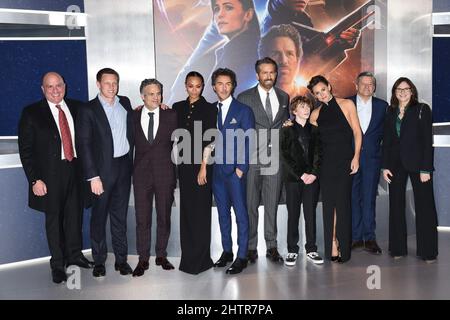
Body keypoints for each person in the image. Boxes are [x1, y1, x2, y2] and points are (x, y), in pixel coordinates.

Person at [18, 72, 93, 284]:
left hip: (76, 171)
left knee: (74, 216)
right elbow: (26, 150)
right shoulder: (31, 113)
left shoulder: (79, 108)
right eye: (49, 87)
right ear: (43, 89)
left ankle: (75, 255)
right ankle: (58, 264)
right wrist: (35, 180)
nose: (55, 90)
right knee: (53, 220)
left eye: (58, 85)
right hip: (49, 176)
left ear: (65, 86)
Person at [76, 68, 134, 277]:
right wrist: (93, 177)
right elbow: (83, 145)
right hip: (101, 173)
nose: (112, 87)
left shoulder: (124, 103)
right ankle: (99, 260)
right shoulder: (88, 109)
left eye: (115, 82)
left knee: (119, 217)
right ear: (98, 84)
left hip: (124, 168)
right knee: (99, 218)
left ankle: (121, 260)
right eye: (107, 83)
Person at [236, 57, 289, 264]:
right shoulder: (244, 97)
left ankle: (272, 246)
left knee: (271, 204)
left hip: (275, 160)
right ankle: (250, 247)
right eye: (264, 72)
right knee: (250, 205)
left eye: (272, 72)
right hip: (251, 160)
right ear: (257, 75)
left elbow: (284, 124)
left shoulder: (284, 96)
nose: (268, 76)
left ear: (276, 74)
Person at [382, 77, 438, 263]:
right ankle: (397, 248)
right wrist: (385, 166)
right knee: (396, 206)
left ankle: (428, 251)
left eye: (406, 89)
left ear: (412, 91)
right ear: (394, 92)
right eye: (399, 89)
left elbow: (426, 142)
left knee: (425, 207)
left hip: (419, 164)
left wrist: (426, 169)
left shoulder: (422, 109)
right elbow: (387, 142)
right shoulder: (390, 112)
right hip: (395, 165)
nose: (403, 92)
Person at [308, 75, 362, 263]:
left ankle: (343, 244)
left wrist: (356, 157)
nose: (321, 94)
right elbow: (312, 144)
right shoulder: (315, 115)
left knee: (343, 204)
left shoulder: (347, 104)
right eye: (316, 93)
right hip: (326, 165)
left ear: (329, 86)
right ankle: (331, 242)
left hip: (345, 162)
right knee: (329, 205)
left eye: (323, 89)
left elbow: (357, 131)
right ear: (314, 96)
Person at [169, 0, 260, 103]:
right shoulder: (229, 50)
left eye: (228, 7)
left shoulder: (247, 57)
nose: (220, 14)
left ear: (248, 14)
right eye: (216, 9)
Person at [131, 79, 178, 276]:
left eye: (158, 93)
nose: (156, 97)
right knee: (142, 219)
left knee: (164, 216)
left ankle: (161, 255)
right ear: (142, 96)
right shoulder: (132, 116)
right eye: (151, 94)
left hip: (165, 173)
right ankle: (143, 259)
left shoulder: (171, 115)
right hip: (141, 175)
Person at [211, 68, 255, 274]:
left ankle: (242, 256)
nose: (224, 87)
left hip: (235, 173)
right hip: (216, 173)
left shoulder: (243, 110)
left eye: (228, 83)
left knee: (241, 215)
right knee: (222, 215)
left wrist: (241, 169)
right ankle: (227, 251)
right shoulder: (211, 110)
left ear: (233, 86)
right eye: (220, 83)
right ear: (214, 86)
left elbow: (249, 141)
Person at [172, 72, 217, 275]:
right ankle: (188, 258)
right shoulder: (177, 107)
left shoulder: (209, 108)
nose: (194, 89)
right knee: (187, 211)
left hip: (202, 166)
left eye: (198, 86)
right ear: (185, 86)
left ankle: (202, 259)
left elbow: (211, 138)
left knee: (201, 211)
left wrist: (203, 166)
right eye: (191, 86)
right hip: (184, 166)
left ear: (203, 86)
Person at [280, 96, 323, 266]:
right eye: (302, 107)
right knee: (293, 215)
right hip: (293, 180)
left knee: (310, 214)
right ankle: (292, 250)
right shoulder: (286, 130)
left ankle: (311, 249)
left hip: (312, 179)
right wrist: (301, 175)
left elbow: (320, 154)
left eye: (308, 107)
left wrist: (313, 174)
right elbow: (284, 156)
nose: (306, 110)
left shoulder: (315, 130)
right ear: (294, 111)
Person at [348, 72, 387, 254]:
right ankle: (355, 238)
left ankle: (369, 238)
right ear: (356, 85)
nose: (367, 87)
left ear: (374, 87)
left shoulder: (382, 106)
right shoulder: (346, 103)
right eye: (363, 84)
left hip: (372, 160)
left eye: (370, 84)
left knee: (369, 198)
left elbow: (387, 136)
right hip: (350, 160)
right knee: (353, 198)